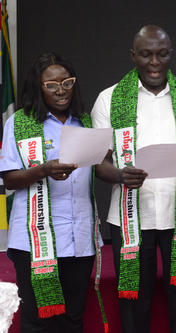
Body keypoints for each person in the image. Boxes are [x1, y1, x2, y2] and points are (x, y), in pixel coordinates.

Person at [91, 25, 176, 333]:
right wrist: (120, 174)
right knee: (133, 302)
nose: (154, 62)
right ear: (133, 56)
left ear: (171, 55)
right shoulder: (108, 99)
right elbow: (98, 163)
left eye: (162, 54)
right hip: (130, 218)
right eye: (146, 54)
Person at [0, 54, 102, 332]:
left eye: (67, 83)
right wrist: (43, 170)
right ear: (37, 86)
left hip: (79, 237)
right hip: (35, 238)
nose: (61, 91)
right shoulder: (19, 123)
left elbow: (100, 166)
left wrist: (125, 174)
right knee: (38, 321)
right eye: (51, 85)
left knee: (72, 318)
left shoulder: (84, 121)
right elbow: (9, 179)